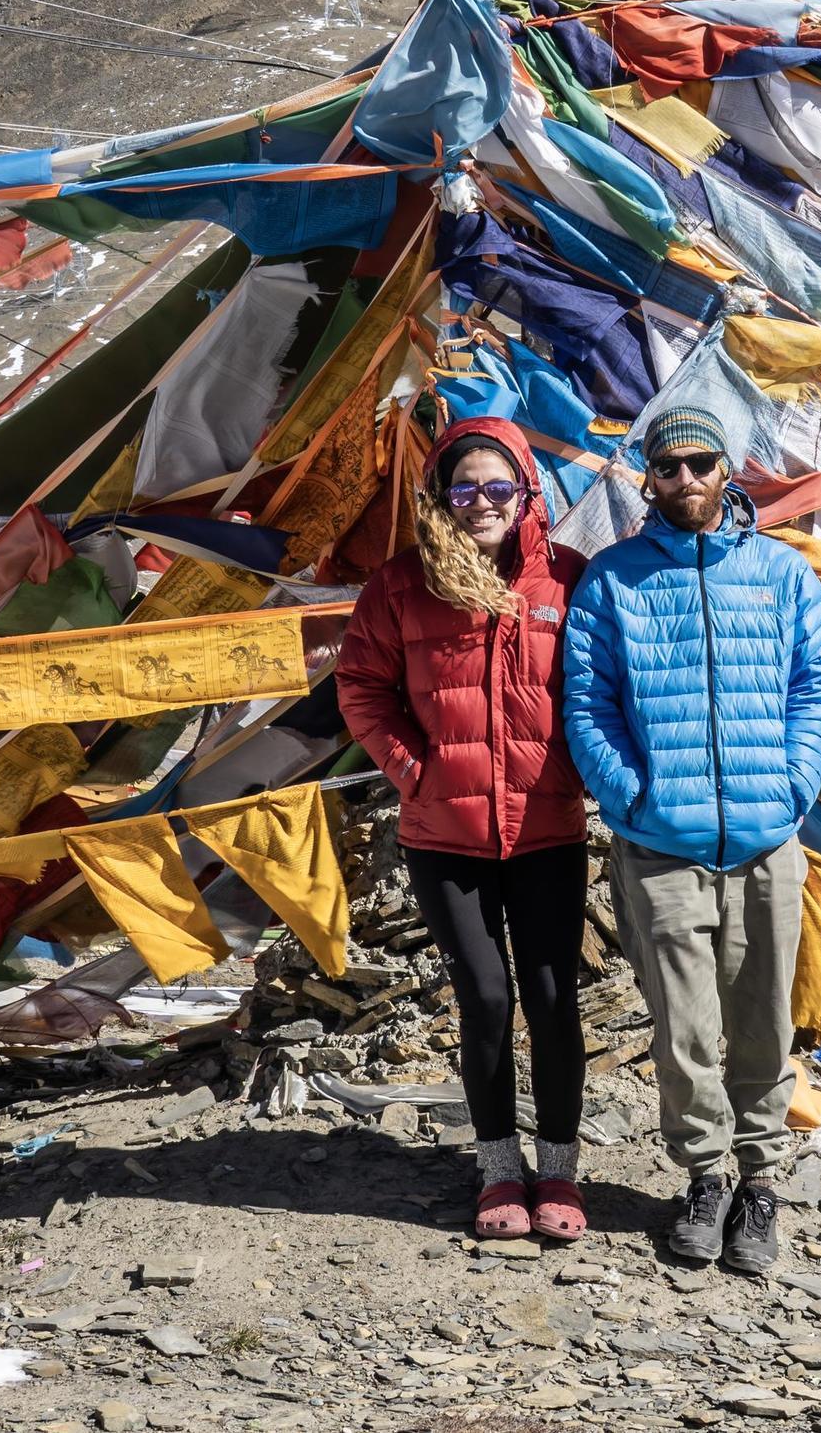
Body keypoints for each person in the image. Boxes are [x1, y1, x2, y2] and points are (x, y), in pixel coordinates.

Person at [562, 405, 821, 1275]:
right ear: (648, 478)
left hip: (765, 840)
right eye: (669, 466)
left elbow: (817, 682)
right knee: (685, 1033)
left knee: (763, 1024)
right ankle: (705, 1177)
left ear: (729, 469)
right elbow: (587, 699)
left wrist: (794, 782)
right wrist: (627, 792)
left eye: (700, 463)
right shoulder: (612, 580)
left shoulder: (783, 574)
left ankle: (760, 1183)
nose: (685, 478)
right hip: (661, 843)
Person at [336, 416, 589, 1244]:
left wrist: (580, 774)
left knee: (552, 1000)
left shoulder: (567, 585)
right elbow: (362, 687)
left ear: (526, 493)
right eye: (465, 487)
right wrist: (417, 769)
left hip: (546, 829)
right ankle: (497, 1168)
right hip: (444, 835)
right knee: (485, 999)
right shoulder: (400, 587)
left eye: (497, 487)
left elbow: (603, 690)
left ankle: (558, 1166)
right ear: (442, 496)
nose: (481, 502)